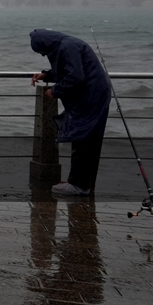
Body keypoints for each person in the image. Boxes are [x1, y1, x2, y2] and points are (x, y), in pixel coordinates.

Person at [30, 30, 112, 196]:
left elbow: (75, 77)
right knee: (90, 142)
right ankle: (86, 184)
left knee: (82, 140)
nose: (43, 55)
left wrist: (56, 90)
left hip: (90, 98)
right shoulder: (67, 44)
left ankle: (78, 185)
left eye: (42, 52)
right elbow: (68, 70)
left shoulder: (67, 47)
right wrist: (47, 75)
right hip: (94, 96)